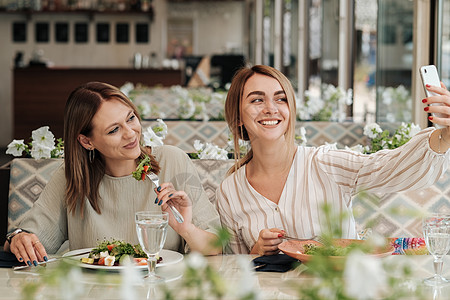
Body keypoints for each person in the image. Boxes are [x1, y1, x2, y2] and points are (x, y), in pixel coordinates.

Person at [216, 65, 450, 255]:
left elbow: (390, 168)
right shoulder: (230, 191)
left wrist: (445, 134)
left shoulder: (325, 164)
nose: (271, 108)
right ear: (237, 117)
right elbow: (234, 271)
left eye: (281, 99)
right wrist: (257, 251)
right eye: (257, 100)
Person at [4, 82, 221, 267]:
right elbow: (30, 239)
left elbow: (217, 247)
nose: (130, 133)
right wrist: (18, 238)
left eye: (131, 118)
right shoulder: (72, 176)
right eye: (113, 130)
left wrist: (187, 229)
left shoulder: (173, 162)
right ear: (87, 141)